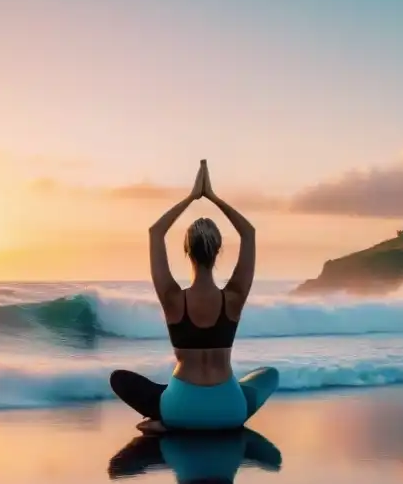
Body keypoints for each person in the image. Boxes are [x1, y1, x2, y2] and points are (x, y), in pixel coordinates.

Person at [110, 160, 278, 433]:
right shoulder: (233, 298)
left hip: (180, 410)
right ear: (219, 251)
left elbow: (156, 232)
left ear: (186, 250)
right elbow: (249, 234)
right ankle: (213, 416)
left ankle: (167, 423)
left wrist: (191, 197)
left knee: (120, 379)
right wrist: (213, 197)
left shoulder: (172, 299)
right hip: (230, 411)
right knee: (269, 375)